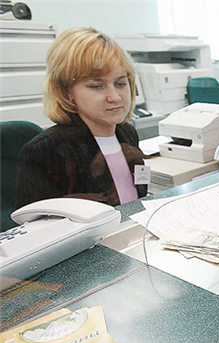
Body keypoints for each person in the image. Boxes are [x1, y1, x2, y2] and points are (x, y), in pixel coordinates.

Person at [16, 27, 148, 208]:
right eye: (97, 86)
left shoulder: (127, 133)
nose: (115, 97)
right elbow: (37, 227)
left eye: (120, 83)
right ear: (66, 90)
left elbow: (137, 195)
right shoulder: (44, 151)